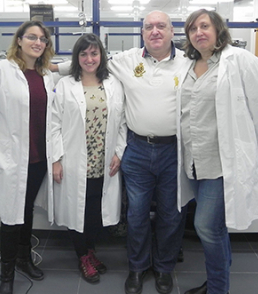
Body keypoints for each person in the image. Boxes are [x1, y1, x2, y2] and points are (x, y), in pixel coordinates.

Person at [55, 11, 191, 294]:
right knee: (137, 214)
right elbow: (88, 62)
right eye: (149, 27)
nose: (155, 31)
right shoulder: (128, 61)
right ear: (142, 32)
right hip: (138, 149)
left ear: (172, 31)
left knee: (171, 213)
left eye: (161, 26)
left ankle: (164, 268)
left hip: (173, 150)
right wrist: (50, 69)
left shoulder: (188, 63)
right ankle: (138, 268)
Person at [179, 9, 258, 294]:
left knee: (207, 227)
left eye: (205, 26)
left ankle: (219, 289)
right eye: (193, 28)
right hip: (193, 161)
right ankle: (217, 280)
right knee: (214, 228)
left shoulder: (240, 60)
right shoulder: (188, 64)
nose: (199, 32)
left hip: (223, 162)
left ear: (218, 30)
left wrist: (249, 149)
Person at [0, 21, 55, 294]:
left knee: (26, 209)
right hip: (9, 157)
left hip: (39, 157)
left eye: (42, 38)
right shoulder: (1, 71)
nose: (37, 42)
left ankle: (24, 259)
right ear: (19, 40)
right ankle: (6, 276)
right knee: (10, 216)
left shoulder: (45, 74)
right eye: (31, 37)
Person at [51, 33, 126, 284]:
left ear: (101, 56)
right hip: (74, 160)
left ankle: (91, 251)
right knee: (77, 210)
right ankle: (82, 255)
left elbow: (123, 122)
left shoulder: (113, 83)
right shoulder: (65, 85)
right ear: (77, 57)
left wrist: (119, 152)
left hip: (103, 161)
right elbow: (53, 125)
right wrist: (56, 159)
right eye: (83, 54)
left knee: (94, 210)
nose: (89, 58)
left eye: (94, 53)